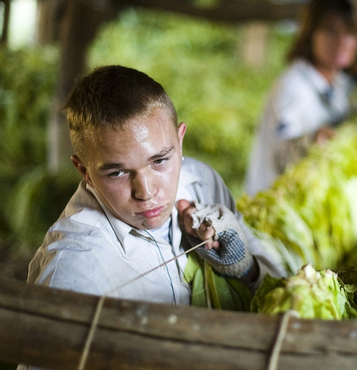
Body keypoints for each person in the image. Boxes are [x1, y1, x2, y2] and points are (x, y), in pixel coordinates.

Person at [25, 65, 286, 306]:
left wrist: (245, 268)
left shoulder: (202, 183)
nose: (146, 192)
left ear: (180, 141)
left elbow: (283, 287)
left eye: (160, 160)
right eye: (117, 173)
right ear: (85, 171)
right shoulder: (72, 270)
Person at [245, 0, 357, 195]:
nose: (342, 41)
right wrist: (312, 140)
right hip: (275, 206)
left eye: (350, 33)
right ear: (310, 35)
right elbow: (281, 154)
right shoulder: (292, 86)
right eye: (331, 32)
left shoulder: (342, 85)